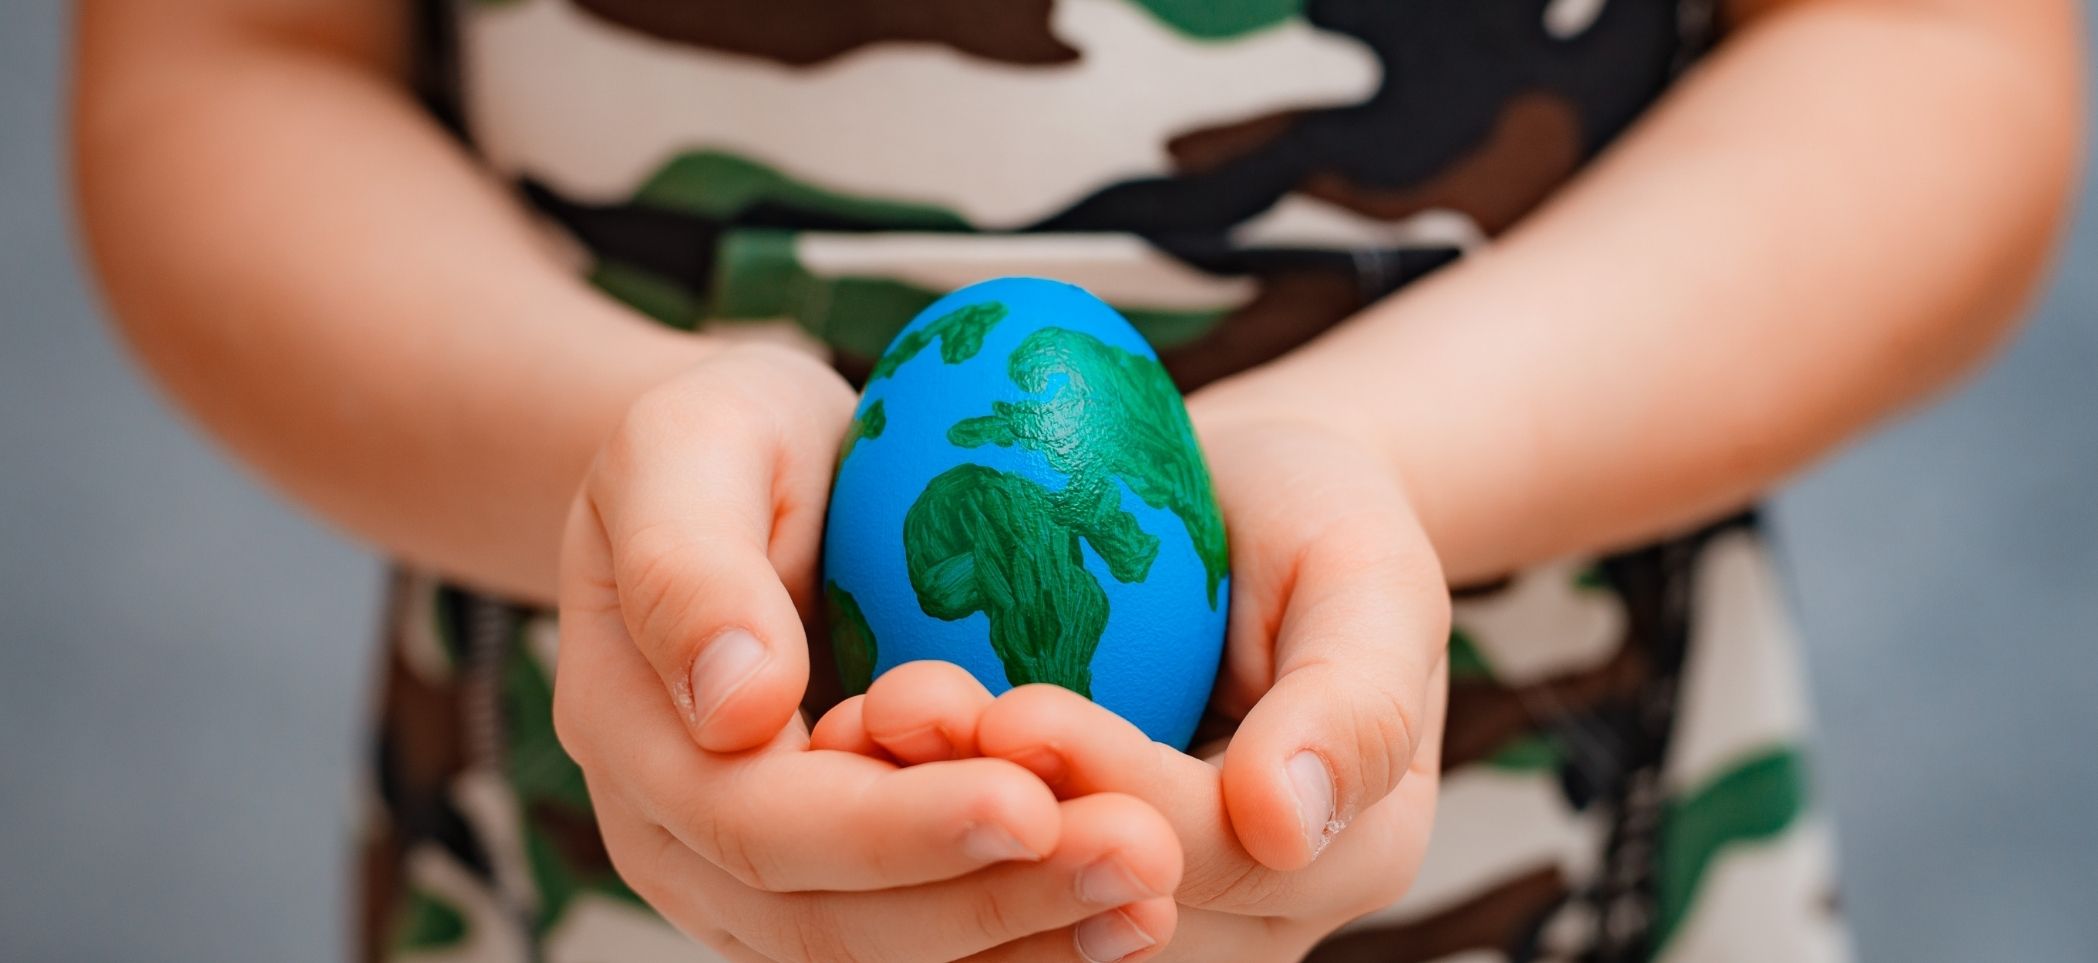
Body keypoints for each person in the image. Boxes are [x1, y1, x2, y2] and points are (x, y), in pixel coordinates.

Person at [71, 0, 2082, 960]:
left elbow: (1934, 53)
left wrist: (1380, 459)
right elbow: (225, 69)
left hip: (1543, 832)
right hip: (643, 830)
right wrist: (623, 477)